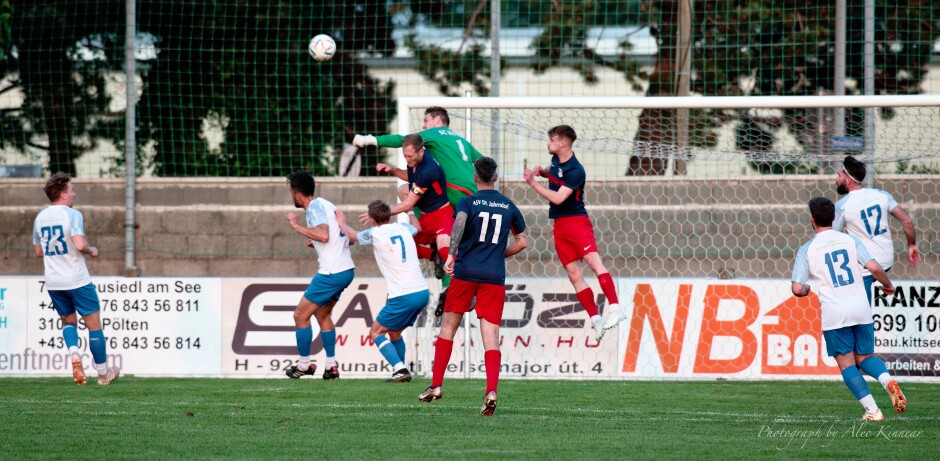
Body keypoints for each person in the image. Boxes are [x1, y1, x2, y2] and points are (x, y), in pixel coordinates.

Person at [419, 156, 528, 416]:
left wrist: (450, 256)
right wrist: (497, 254)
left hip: (465, 273)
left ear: (475, 177)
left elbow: (458, 225)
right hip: (493, 277)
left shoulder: (468, 202)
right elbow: (523, 242)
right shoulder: (509, 204)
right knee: (490, 337)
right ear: (496, 178)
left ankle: (436, 386)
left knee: (448, 328)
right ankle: (491, 391)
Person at [791, 197, 906, 421]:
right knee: (865, 357)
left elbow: (796, 288)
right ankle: (887, 381)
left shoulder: (807, 249)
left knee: (847, 364)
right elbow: (873, 267)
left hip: (836, 313)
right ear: (834, 218)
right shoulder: (850, 240)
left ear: (812, 220)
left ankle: (873, 411)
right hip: (860, 307)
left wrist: (805, 289)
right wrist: (888, 285)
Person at [522, 125, 623, 341]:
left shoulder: (577, 170)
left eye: (553, 139)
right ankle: (596, 319)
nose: (549, 142)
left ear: (563, 143)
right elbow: (557, 175)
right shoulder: (557, 162)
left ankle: (615, 308)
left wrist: (532, 183)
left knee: (595, 263)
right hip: (560, 226)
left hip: (577, 223)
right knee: (574, 274)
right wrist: (544, 173)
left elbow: (558, 198)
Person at [32, 172, 120, 386]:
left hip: (53, 281)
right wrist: (92, 250)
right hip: (77, 279)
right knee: (94, 325)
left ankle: (74, 354)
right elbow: (79, 245)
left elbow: (38, 252)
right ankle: (103, 375)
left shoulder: (40, 218)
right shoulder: (73, 215)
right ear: (63, 194)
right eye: (71, 190)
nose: (74, 194)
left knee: (68, 322)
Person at [335, 200, 430, 383]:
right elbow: (416, 227)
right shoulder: (403, 227)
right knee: (394, 332)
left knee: (376, 332)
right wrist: (410, 211)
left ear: (371, 220)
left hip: (403, 294)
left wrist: (341, 223)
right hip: (421, 292)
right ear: (389, 215)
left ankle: (399, 369)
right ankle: (401, 372)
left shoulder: (374, 233)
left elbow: (353, 236)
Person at [367, 134, 455, 313]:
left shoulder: (428, 169)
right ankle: (434, 256)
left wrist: (380, 213)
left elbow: (408, 203)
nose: (407, 159)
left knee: (444, 244)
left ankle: (458, 288)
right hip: (426, 218)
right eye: (405, 156)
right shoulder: (416, 162)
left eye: (410, 156)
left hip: (442, 215)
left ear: (421, 151)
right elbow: (411, 176)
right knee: (405, 242)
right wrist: (392, 170)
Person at [284, 170, 355, 380]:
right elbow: (344, 238)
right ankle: (331, 366)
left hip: (331, 272)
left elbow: (323, 235)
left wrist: (296, 226)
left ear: (297, 194)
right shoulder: (327, 204)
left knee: (300, 315)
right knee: (322, 315)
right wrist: (313, 239)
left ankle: (304, 364)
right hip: (345, 270)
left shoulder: (313, 208)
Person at [352, 106, 482, 208]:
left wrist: (368, 139)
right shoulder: (461, 140)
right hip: (474, 194)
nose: (423, 126)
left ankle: (422, 230)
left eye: (426, 121)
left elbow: (403, 140)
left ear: (437, 120)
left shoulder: (434, 133)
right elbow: (484, 162)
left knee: (404, 191)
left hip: (453, 191)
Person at [833, 155, 920, 304]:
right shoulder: (881, 195)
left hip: (867, 267)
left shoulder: (842, 206)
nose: (836, 179)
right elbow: (907, 220)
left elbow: (832, 236)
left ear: (848, 179)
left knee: (858, 313)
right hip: (886, 261)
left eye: (839, 175)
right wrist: (912, 245)